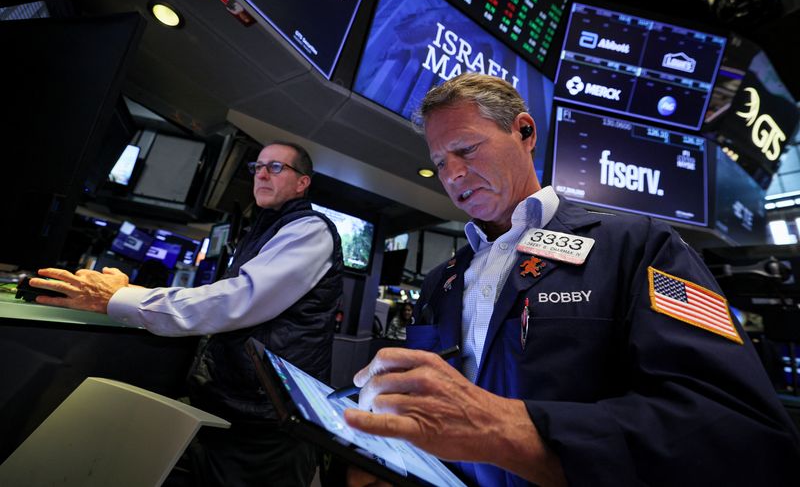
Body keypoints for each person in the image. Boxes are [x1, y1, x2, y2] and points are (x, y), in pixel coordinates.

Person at [343, 73, 800, 486]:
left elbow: (738, 427)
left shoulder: (639, 247)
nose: (453, 173)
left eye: (466, 149)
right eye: (441, 162)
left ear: (525, 131)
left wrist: (508, 430)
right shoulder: (440, 280)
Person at [32, 141, 344, 487]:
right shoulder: (264, 229)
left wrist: (121, 299)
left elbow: (237, 301)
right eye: (257, 167)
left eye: (275, 168)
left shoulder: (310, 230)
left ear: (303, 183)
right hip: (234, 407)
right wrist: (130, 293)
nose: (261, 175)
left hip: (268, 424)